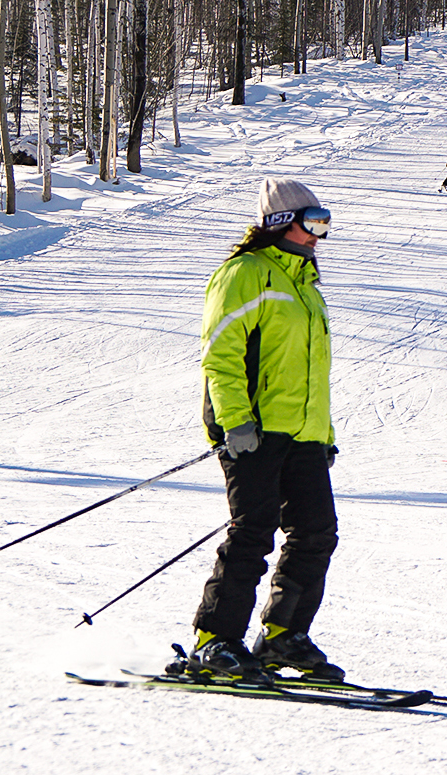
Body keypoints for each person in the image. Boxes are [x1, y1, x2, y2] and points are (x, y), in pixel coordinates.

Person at [186, 177, 342, 680]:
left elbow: (312, 368)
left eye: (326, 223)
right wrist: (235, 422)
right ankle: (215, 639)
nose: (320, 234)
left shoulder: (305, 284)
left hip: (303, 433)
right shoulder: (245, 274)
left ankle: (283, 635)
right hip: (250, 428)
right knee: (252, 533)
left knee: (316, 532)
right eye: (314, 222)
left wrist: (325, 435)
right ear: (281, 223)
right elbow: (221, 354)